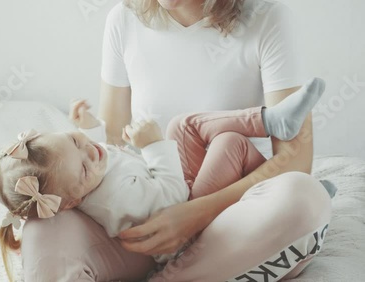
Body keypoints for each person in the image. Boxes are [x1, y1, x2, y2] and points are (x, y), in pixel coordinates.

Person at [21, 0, 333, 281]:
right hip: (144, 221)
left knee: (303, 196)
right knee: (42, 223)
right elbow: (111, 143)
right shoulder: (124, 18)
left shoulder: (269, 18)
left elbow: (295, 159)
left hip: (232, 222)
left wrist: (193, 214)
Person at [0, 77, 325, 280]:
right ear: (71, 202)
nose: (92, 153)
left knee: (190, 128)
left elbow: (104, 155)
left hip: (179, 197)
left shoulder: (86, 173)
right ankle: (270, 163)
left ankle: (273, 120)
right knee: (216, 140)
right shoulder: (114, 199)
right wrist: (153, 147)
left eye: (75, 141)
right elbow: (172, 199)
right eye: (84, 166)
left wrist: (89, 127)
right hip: (184, 220)